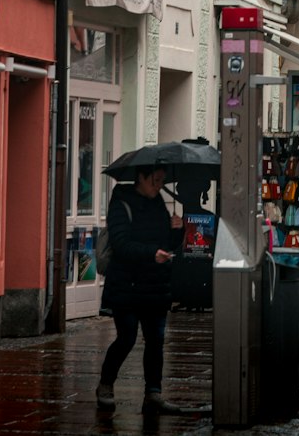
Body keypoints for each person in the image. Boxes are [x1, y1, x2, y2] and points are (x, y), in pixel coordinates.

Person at [96, 166, 184, 415]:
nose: (159, 186)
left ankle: (153, 394)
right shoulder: (121, 203)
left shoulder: (158, 205)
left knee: (156, 341)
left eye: (162, 181)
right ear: (141, 178)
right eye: (155, 181)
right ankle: (105, 385)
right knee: (127, 337)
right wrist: (150, 254)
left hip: (156, 285)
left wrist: (177, 231)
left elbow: (166, 243)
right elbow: (121, 244)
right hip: (127, 285)